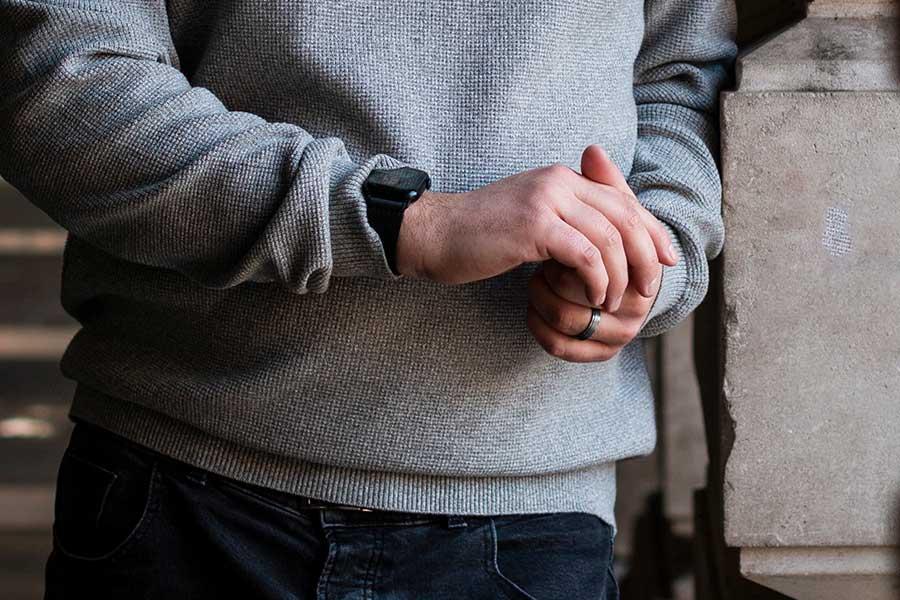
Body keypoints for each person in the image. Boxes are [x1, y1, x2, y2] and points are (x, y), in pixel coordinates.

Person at [0, 0, 736, 597]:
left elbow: (683, 75)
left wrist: (642, 257)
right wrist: (401, 220)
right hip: (189, 493)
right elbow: (64, 80)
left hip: (529, 520)